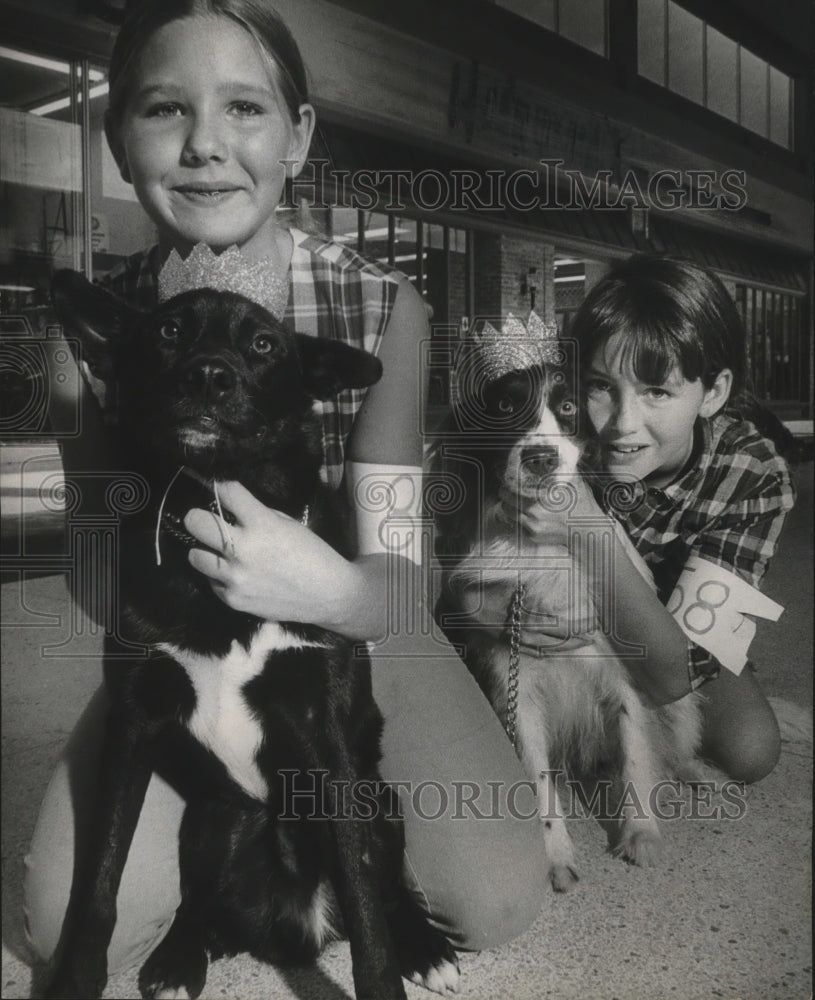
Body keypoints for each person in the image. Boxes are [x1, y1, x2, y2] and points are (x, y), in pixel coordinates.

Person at [26, 0, 545, 978]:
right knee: (59, 925)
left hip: (348, 626)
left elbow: (399, 573)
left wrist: (333, 590)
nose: (206, 144)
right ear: (116, 136)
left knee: (494, 894)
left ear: (298, 136)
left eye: (246, 110)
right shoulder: (92, 337)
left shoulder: (382, 310)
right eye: (164, 109)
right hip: (170, 635)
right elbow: (96, 574)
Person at [504, 254, 795, 784]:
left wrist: (587, 530)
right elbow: (457, 562)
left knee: (751, 750)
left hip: (674, 634)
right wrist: (493, 613)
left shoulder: (750, 474)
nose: (621, 424)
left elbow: (671, 679)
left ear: (713, 392)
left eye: (657, 390)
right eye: (599, 386)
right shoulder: (560, 437)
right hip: (563, 606)